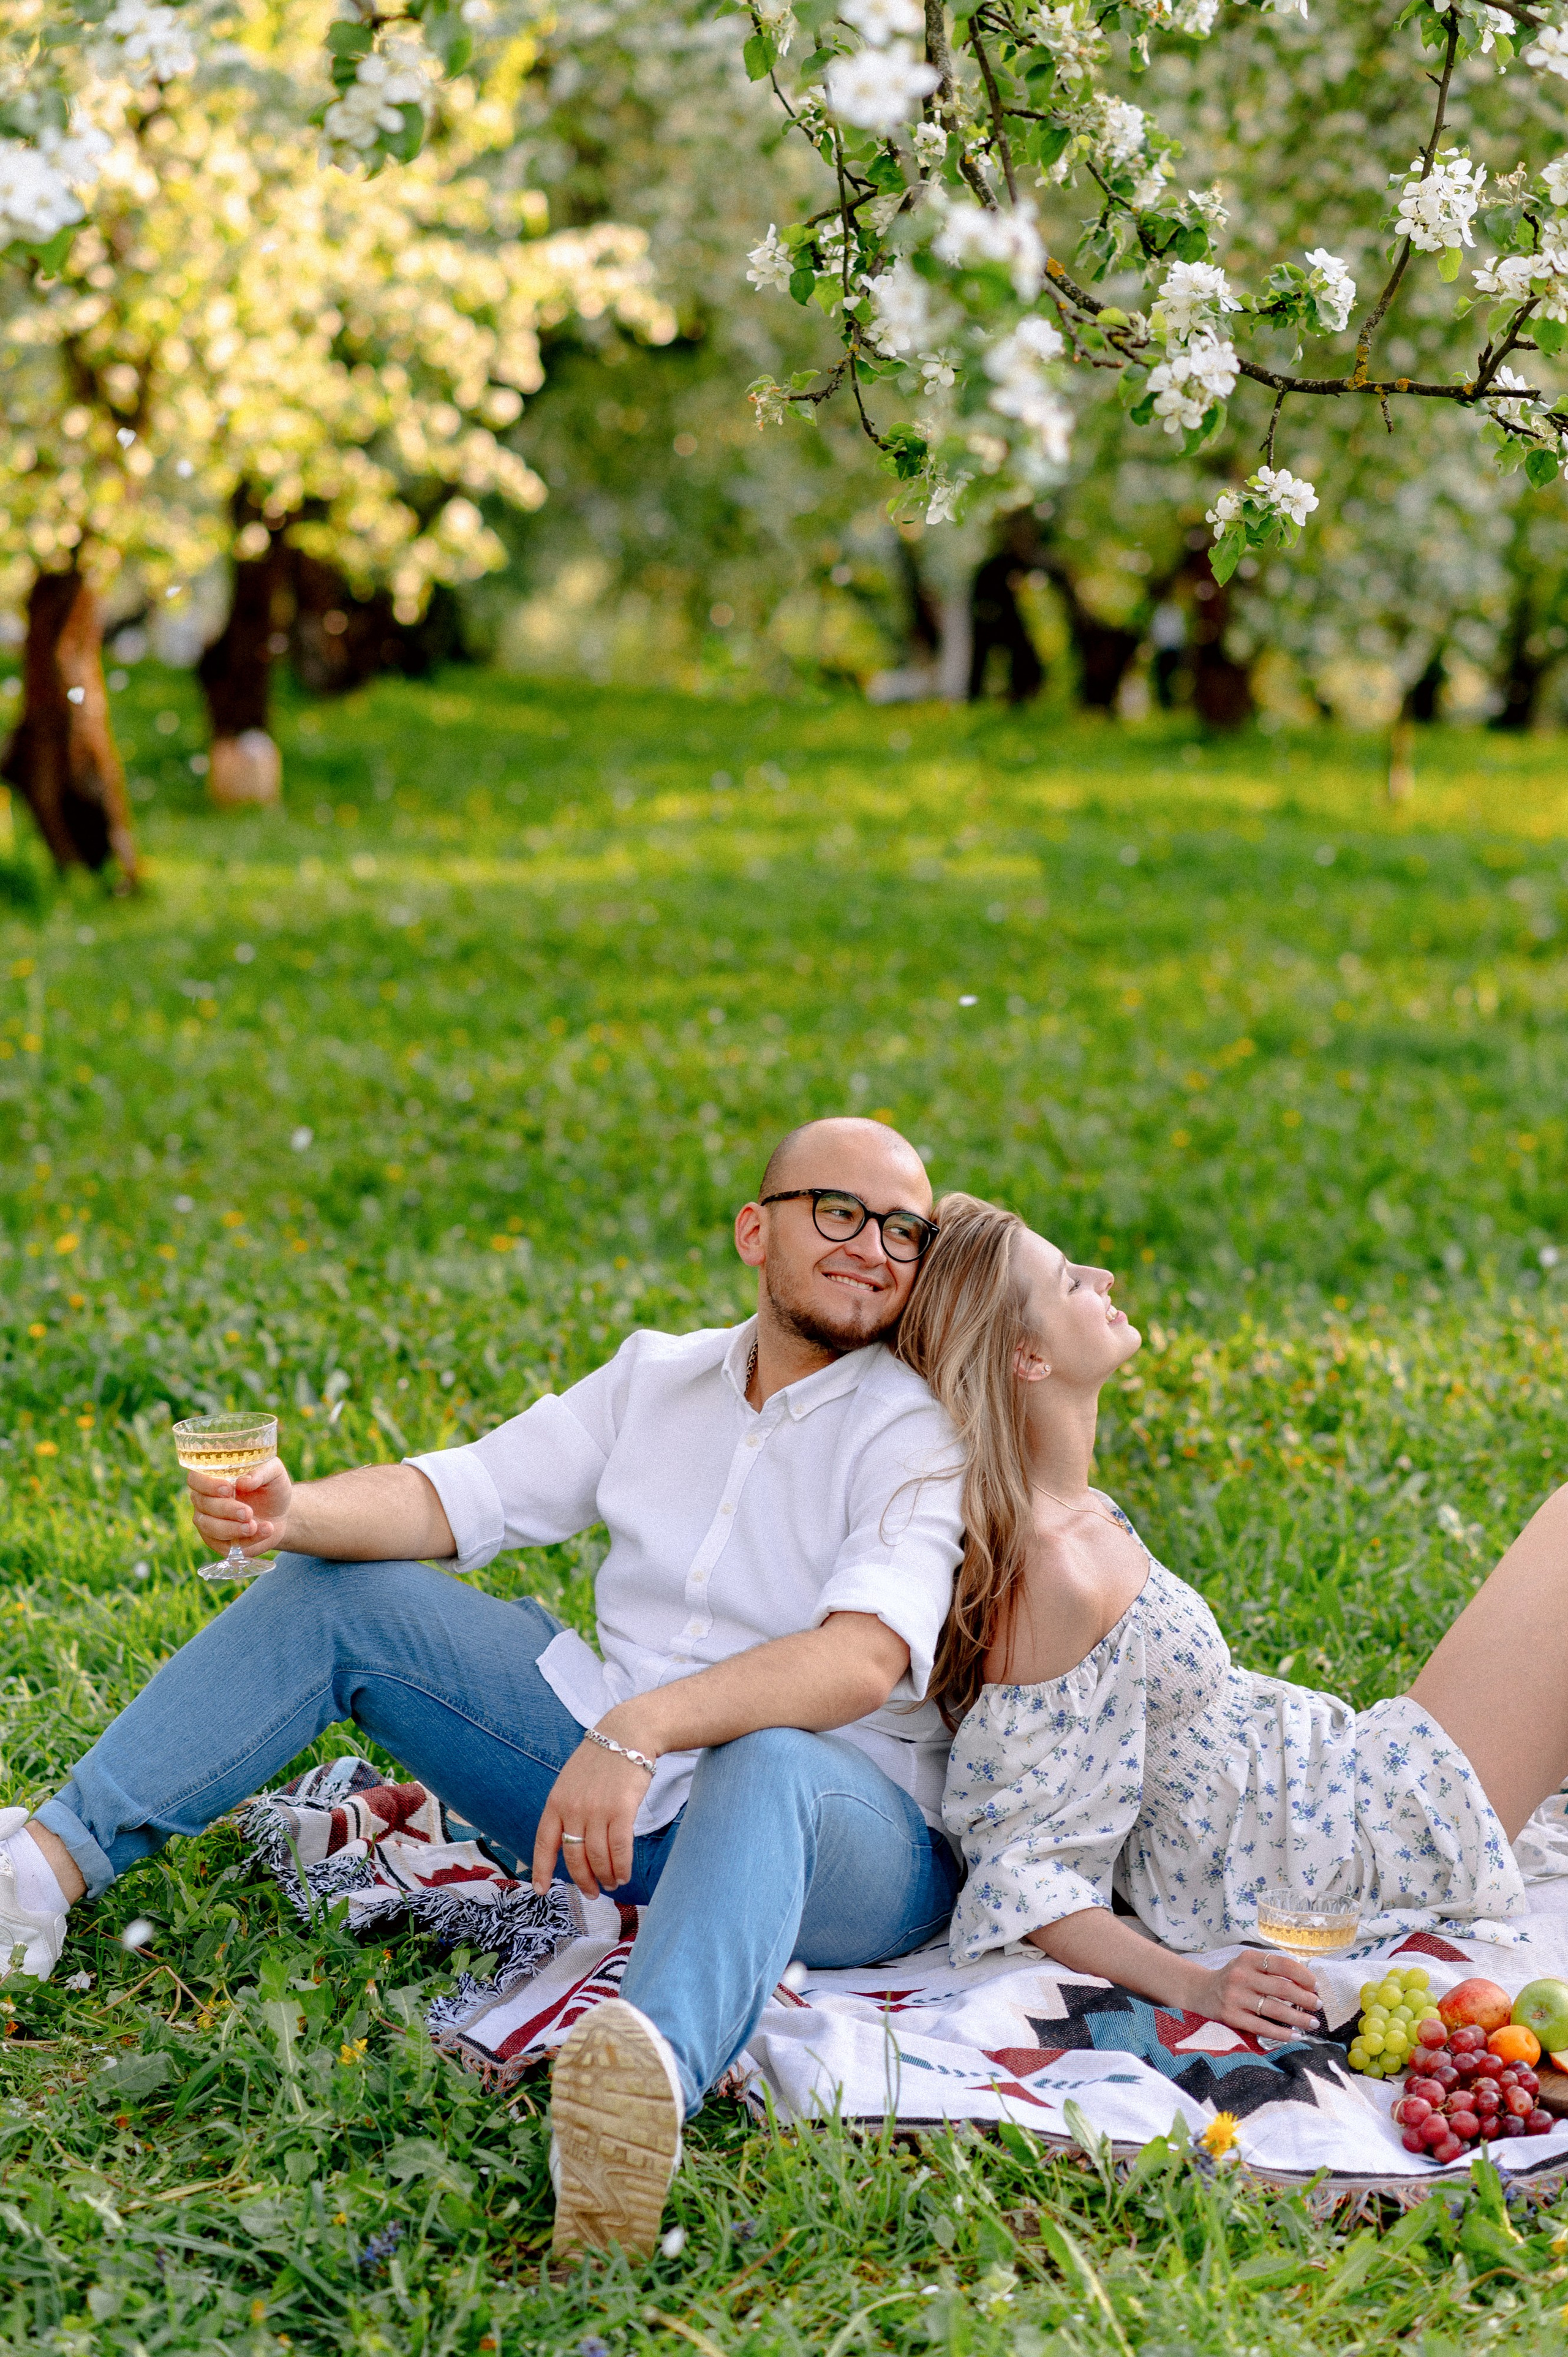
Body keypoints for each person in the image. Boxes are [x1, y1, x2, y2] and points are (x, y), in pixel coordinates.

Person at [0, 1118, 965, 2259]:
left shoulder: (919, 1429)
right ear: (757, 1231)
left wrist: (640, 1727)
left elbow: (861, 1659)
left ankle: (637, 2093)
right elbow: (467, 1495)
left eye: (905, 1230)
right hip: (616, 1814)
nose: (875, 1247)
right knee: (340, 1593)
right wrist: (290, 1511)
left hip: (843, 1847)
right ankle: (41, 1870)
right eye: (841, 1212)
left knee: (768, 1749)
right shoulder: (657, 1376)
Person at [894, 1192, 1568, 2038]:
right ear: (1026, 1357)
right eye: (1070, 1280)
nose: (1103, 1276)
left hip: (1335, 1778)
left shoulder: (1080, 1511)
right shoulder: (1051, 1570)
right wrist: (1196, 1987)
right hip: (1342, 1851)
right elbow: (1022, 1864)